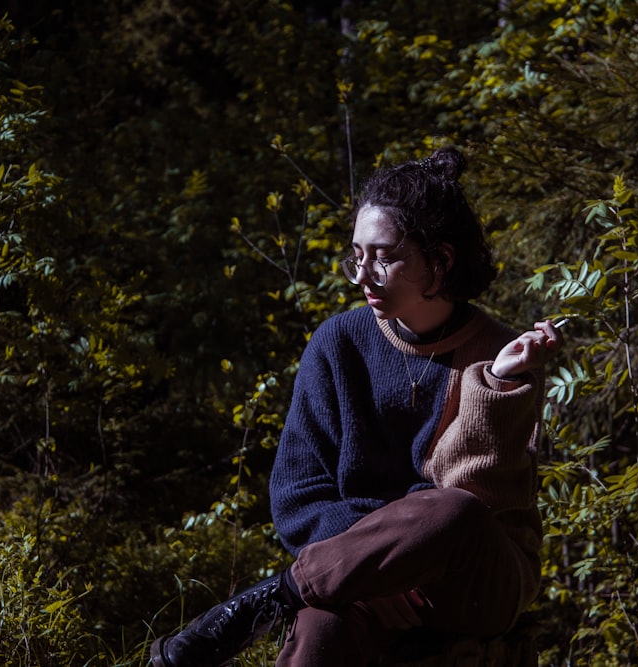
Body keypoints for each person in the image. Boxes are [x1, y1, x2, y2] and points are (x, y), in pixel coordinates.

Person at [150, 146, 563, 667]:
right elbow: (297, 495)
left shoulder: (502, 353)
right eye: (357, 255)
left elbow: (478, 498)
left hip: (475, 581)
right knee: (320, 629)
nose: (362, 274)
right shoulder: (338, 343)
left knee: (455, 510)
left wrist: (498, 383)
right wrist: (377, 572)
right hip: (354, 576)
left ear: (441, 260)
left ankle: (271, 599)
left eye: (384, 256)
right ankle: (284, 605)